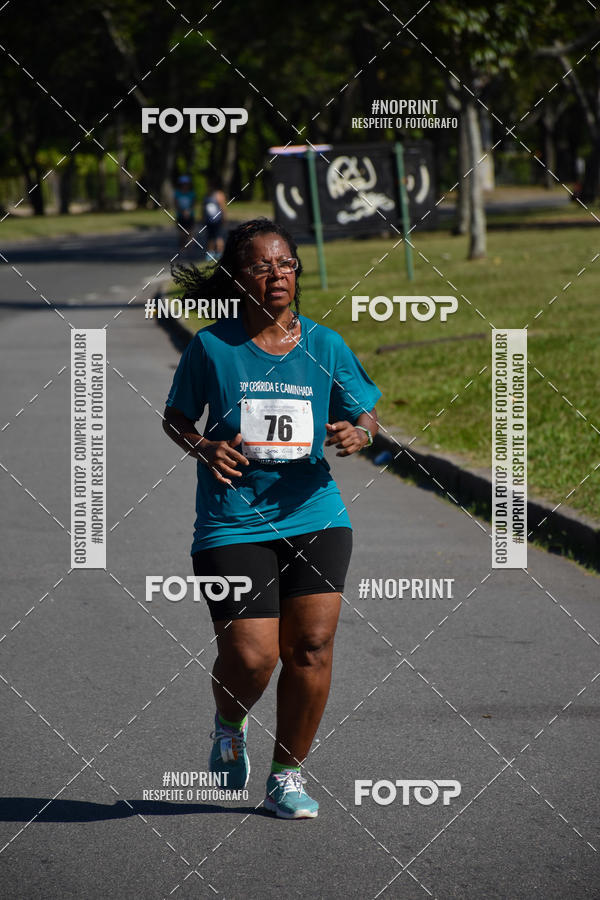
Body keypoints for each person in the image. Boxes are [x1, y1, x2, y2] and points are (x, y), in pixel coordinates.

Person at [162, 218, 380, 818]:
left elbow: (365, 412)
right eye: (261, 266)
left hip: (315, 511)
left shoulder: (325, 345)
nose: (277, 274)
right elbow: (175, 418)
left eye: (285, 263)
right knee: (253, 657)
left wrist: (359, 433)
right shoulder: (212, 347)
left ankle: (287, 775)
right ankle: (229, 722)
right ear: (238, 278)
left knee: (310, 646)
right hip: (232, 519)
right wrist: (204, 446)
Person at [202, 179, 226, 260]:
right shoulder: (207, 195)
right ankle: (210, 253)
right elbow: (203, 208)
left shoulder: (219, 195)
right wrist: (202, 218)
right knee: (210, 238)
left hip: (217, 220)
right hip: (209, 221)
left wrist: (224, 218)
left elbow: (223, 208)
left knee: (219, 237)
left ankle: (219, 253)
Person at [174, 175, 196, 252]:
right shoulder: (177, 193)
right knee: (181, 233)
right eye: (183, 184)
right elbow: (176, 204)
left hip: (190, 216)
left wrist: (189, 211)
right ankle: (182, 247)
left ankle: (190, 247)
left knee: (190, 232)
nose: (185, 185)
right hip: (180, 216)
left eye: (186, 184)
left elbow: (193, 204)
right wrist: (182, 212)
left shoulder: (191, 193)